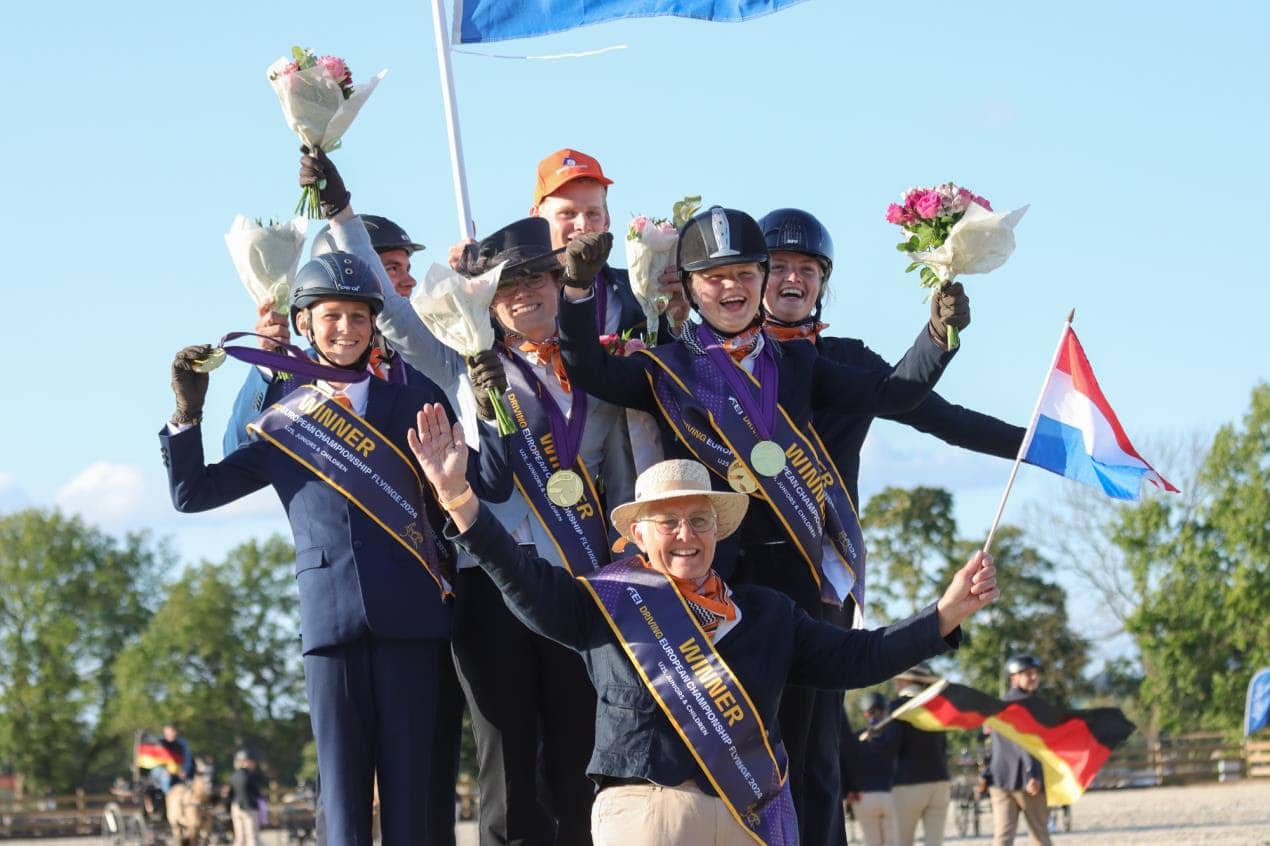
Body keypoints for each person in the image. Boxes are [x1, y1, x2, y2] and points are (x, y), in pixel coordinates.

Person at [407, 408, 1000, 845]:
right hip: (646, 816)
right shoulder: (605, 600)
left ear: (718, 530)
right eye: (668, 522)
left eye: (699, 520)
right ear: (638, 534)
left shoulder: (768, 614)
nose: (686, 535)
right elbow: (518, 574)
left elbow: (859, 658)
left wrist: (944, 614)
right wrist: (458, 496)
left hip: (748, 820)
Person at [557, 206, 968, 827]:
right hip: (700, 591)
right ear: (691, 287)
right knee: (710, 763)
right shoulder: (666, 366)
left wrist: (936, 338)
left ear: (761, 278)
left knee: (807, 764)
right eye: (713, 276)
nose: (731, 288)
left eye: (745, 273)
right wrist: (577, 291)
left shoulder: (797, 364)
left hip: (792, 597)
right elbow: (588, 368)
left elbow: (892, 395)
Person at [160, 251, 508, 845]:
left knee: (414, 801)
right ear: (304, 324)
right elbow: (194, 493)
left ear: (374, 324)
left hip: (415, 622)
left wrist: (489, 405)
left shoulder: (415, 397)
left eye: (357, 316)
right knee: (341, 804)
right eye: (331, 317)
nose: (345, 328)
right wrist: (187, 413)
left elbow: (489, 481)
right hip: (330, 623)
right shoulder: (285, 416)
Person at [758, 207, 1024, 846]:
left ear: (824, 283)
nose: (793, 279)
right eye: (780, 267)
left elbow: (934, 412)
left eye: (808, 269)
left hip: (823, 583)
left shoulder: (847, 359)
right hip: (739, 580)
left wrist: (1035, 443)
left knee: (818, 753)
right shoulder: (720, 363)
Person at [447, 217, 638, 845]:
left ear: (560, 284)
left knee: (578, 748)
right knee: (506, 756)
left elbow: (616, 476)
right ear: (487, 304)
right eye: (505, 287)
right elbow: (488, 481)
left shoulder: (596, 370)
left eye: (536, 279)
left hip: (577, 580)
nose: (523, 293)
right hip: (494, 583)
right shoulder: (472, 371)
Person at [988, 655, 1052, 846]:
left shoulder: (1000, 703)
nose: (1034, 677)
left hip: (999, 778)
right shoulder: (1027, 704)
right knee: (1040, 835)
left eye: (1035, 673)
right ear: (1013, 678)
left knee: (1003, 837)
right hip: (1027, 780)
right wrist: (1032, 773)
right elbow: (1025, 742)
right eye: (1027, 674)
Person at [889, 664, 952, 846]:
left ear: (905, 680)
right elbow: (944, 746)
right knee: (935, 842)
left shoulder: (898, 707)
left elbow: (892, 746)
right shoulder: (938, 706)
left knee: (903, 841)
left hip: (908, 782)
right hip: (940, 780)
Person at [843, 692, 901, 846]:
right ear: (884, 711)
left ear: (865, 713)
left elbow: (847, 765)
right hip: (890, 795)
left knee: (871, 842)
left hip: (863, 797)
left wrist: (848, 790)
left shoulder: (856, 738)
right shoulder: (894, 736)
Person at [229, 748, 265, 846]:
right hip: (248, 807)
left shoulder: (233, 775)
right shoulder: (249, 775)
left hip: (235, 807)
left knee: (239, 837)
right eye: (252, 761)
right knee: (251, 836)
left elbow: (230, 794)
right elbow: (256, 792)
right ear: (246, 762)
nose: (254, 764)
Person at [150, 724, 195, 794]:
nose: (167, 735)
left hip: (178, 770)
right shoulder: (160, 743)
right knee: (165, 777)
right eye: (166, 733)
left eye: (169, 733)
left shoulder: (182, 744)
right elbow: (157, 760)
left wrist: (184, 770)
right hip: (162, 770)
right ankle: (168, 797)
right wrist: (167, 770)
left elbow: (187, 759)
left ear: (175, 732)